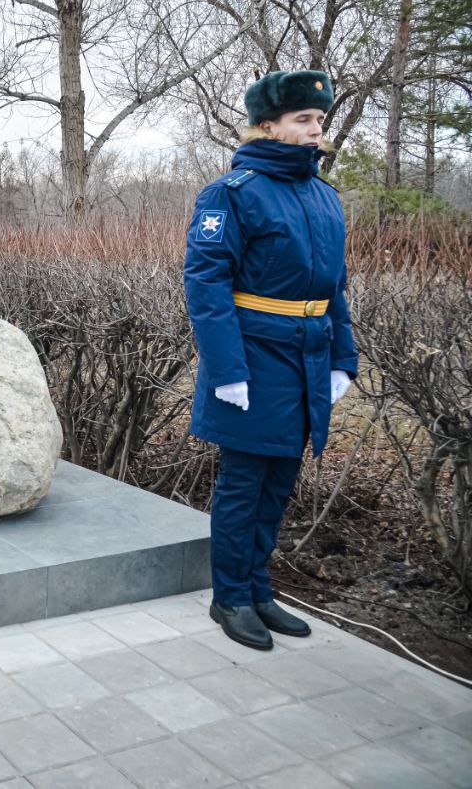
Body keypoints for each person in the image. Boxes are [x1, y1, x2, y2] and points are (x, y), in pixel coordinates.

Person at [183, 69, 358, 651]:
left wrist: (342, 358)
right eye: (303, 121)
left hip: (308, 357)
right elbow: (206, 286)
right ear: (268, 126)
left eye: (320, 121)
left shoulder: (323, 197)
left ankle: (259, 590)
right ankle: (229, 596)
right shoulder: (231, 194)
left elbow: (336, 287)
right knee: (244, 481)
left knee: (280, 480)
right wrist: (228, 370)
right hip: (254, 359)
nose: (315, 131)